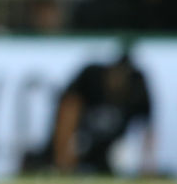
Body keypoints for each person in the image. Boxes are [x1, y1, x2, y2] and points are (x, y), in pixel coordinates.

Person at [20, 51, 154, 176]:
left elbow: (147, 128)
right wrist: (62, 156)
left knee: (123, 157)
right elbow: (68, 112)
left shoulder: (138, 86)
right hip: (81, 141)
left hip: (109, 151)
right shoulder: (91, 77)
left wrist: (147, 166)